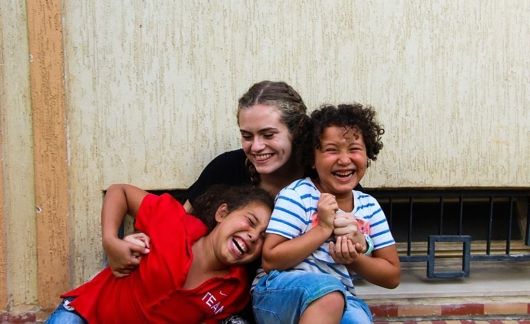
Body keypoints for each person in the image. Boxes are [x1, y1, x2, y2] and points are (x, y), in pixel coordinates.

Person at [251, 103, 401, 324]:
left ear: (368, 154)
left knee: (357, 319)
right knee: (328, 294)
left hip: (341, 294)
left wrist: (353, 259)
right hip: (278, 291)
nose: (344, 159)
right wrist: (323, 229)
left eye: (354, 149)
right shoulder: (297, 195)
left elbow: (392, 276)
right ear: (312, 158)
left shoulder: (369, 206)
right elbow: (271, 260)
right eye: (332, 150)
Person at [46, 183, 274, 324]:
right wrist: (111, 242)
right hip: (84, 315)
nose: (254, 235)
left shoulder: (235, 290)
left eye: (265, 236)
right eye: (250, 221)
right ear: (222, 213)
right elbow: (120, 192)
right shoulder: (174, 222)